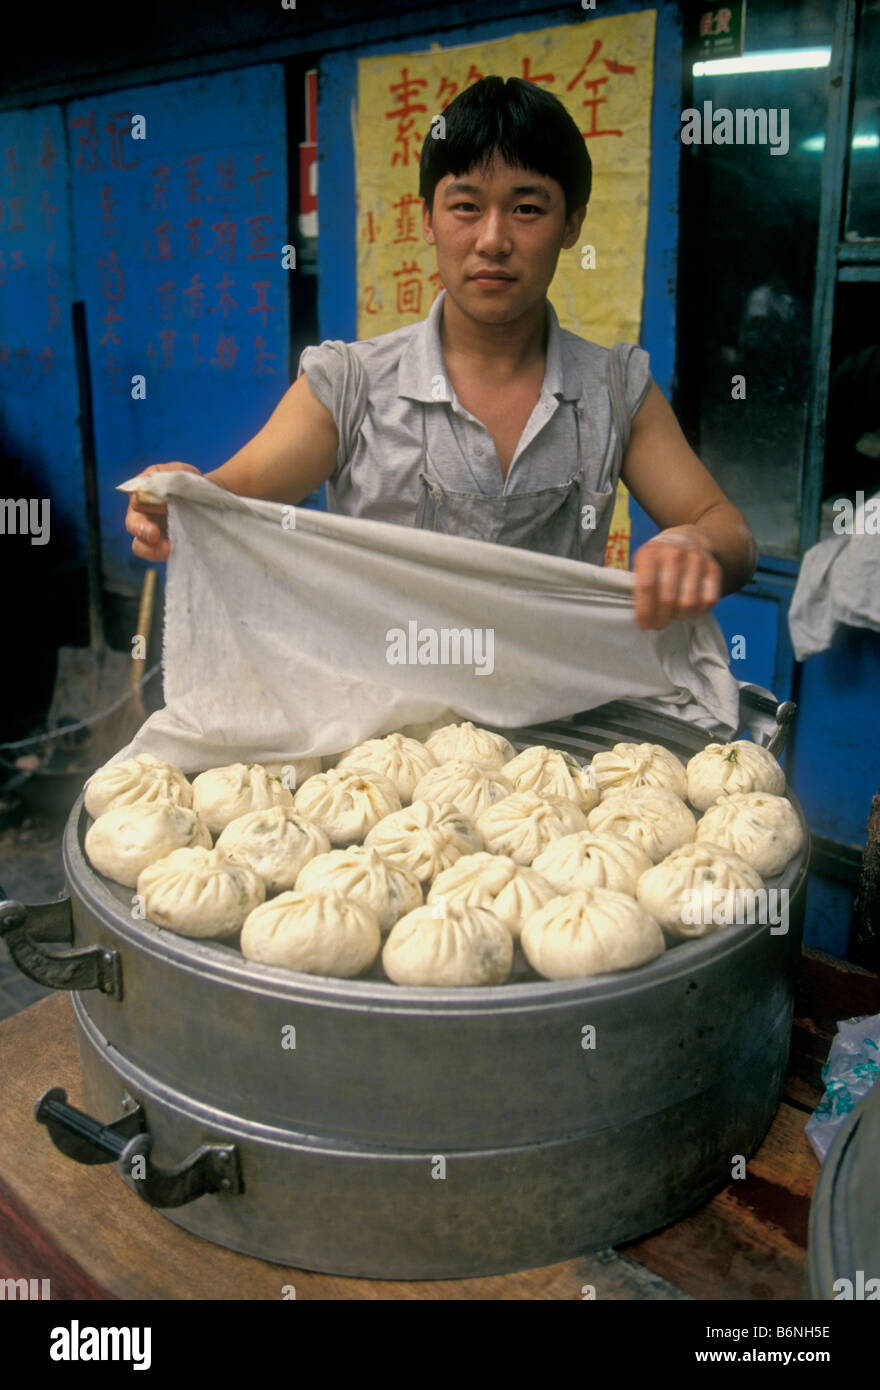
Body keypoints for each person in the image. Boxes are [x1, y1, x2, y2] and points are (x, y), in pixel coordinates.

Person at [126, 75, 756, 631]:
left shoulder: (616, 389)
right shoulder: (349, 384)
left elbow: (729, 532)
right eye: (465, 206)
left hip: (549, 741)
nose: (492, 239)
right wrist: (184, 499)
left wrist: (698, 545)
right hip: (378, 742)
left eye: (527, 209)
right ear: (427, 219)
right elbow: (235, 494)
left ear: (572, 226)